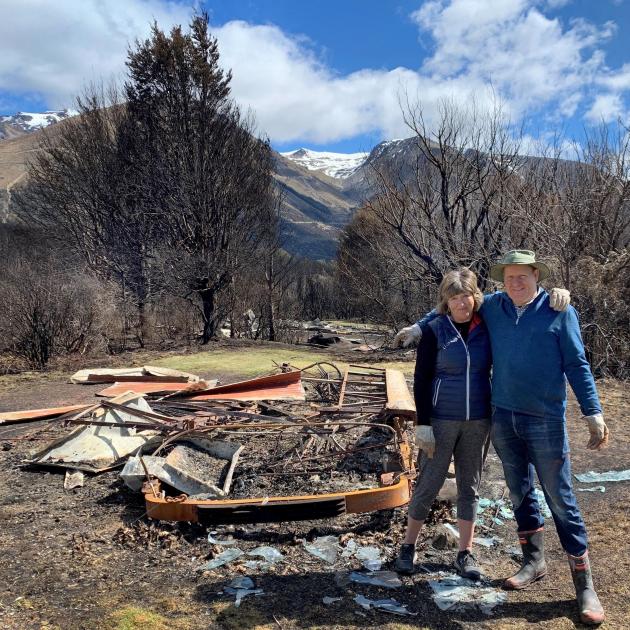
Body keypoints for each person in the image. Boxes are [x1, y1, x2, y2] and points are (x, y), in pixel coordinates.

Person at [396, 250, 609, 626]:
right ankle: (533, 561)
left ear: (536, 275)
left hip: (545, 419)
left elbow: (577, 363)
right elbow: (451, 303)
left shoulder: (560, 310)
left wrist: (592, 411)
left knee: (560, 497)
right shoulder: (494, 306)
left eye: (523, 276)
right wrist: (418, 327)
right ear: (502, 281)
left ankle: (584, 583)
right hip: (503, 417)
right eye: (509, 277)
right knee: (520, 491)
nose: (516, 283)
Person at [395, 269, 491, 580]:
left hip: (477, 421)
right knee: (429, 483)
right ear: (445, 302)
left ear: (474, 296)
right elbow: (421, 380)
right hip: (440, 421)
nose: (462, 302)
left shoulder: (487, 326)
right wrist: (422, 424)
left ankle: (465, 553)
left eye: (466, 295)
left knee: (470, 487)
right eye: (454, 297)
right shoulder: (435, 330)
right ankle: (408, 546)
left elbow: (518, 304)